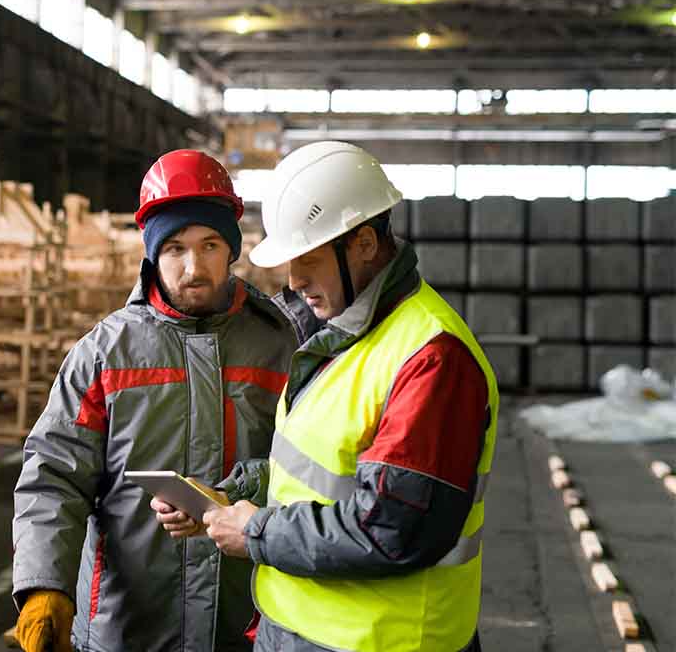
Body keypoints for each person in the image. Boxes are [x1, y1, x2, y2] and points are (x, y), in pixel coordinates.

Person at [194, 141, 498, 652]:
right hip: (297, 630)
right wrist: (244, 492)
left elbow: (392, 527)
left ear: (363, 244)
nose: (294, 281)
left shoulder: (433, 359)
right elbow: (328, 472)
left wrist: (257, 533)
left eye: (308, 259)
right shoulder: (344, 335)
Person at [11, 149, 309, 652]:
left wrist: (242, 496)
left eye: (209, 245)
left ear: (232, 248)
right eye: (175, 248)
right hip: (127, 629)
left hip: (244, 624)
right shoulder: (104, 354)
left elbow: (307, 468)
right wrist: (43, 586)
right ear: (152, 253)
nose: (194, 267)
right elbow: (53, 474)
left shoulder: (281, 346)